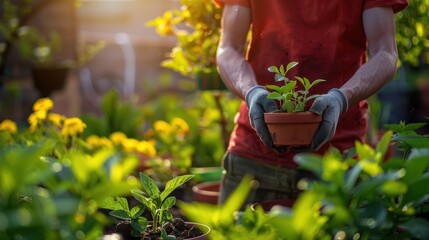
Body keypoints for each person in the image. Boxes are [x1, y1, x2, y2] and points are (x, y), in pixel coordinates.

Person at [214, 0, 408, 205]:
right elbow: (228, 48)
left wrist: (341, 99)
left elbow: (385, 53)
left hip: (337, 162)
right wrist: (251, 92)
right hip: (254, 158)